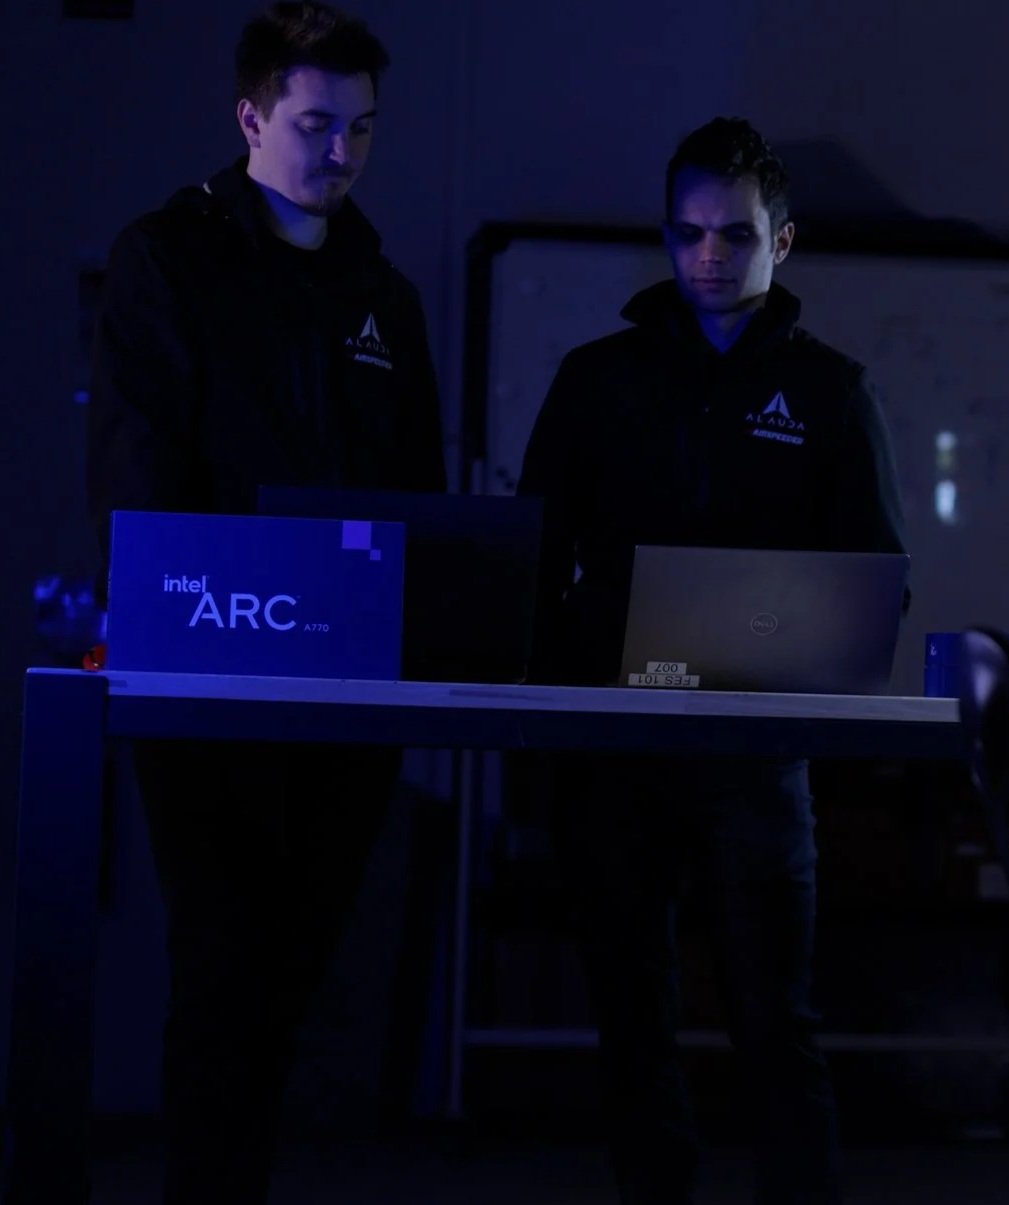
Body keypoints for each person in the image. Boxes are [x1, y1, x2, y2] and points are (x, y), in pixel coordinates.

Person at [82, 4, 442, 1202]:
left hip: (349, 700)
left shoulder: (383, 294)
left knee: (290, 980)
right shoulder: (166, 260)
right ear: (251, 117)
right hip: (209, 683)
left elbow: (420, 502)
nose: (340, 152)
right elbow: (138, 473)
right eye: (315, 124)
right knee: (223, 969)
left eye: (362, 129)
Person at [517, 116, 903, 1205]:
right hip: (617, 743)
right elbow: (534, 555)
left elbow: (875, 577)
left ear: (784, 239)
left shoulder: (832, 391)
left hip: (756, 751)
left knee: (777, 1019)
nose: (708, 258)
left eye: (734, 235)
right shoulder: (598, 379)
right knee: (631, 1013)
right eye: (688, 234)